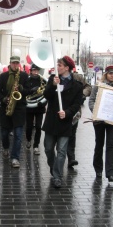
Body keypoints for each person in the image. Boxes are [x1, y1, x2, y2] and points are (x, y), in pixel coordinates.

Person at [42, 56, 83, 188]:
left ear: (67, 68)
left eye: (59, 65)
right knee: (48, 149)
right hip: (51, 121)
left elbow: (77, 104)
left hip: (65, 122)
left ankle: (57, 176)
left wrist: (67, 112)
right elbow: (46, 95)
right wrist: (53, 85)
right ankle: (55, 168)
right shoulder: (53, 79)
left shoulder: (77, 86)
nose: (57, 67)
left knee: (61, 151)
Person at [0, 55, 30, 168]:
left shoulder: (24, 76)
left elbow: (28, 91)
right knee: (5, 134)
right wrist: (4, 99)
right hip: (6, 108)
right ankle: (6, 147)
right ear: (10, 63)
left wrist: (22, 89)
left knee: (18, 135)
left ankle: (15, 157)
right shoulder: (4, 76)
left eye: (17, 63)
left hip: (19, 109)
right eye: (13, 63)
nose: (15, 65)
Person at [89, 65, 113, 182]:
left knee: (111, 145)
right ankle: (98, 169)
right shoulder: (98, 86)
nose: (112, 75)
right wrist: (96, 111)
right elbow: (91, 100)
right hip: (99, 120)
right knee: (99, 144)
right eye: (110, 73)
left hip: (112, 121)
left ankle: (110, 173)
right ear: (106, 74)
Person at [67, 70, 92, 168]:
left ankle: (71, 158)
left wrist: (81, 94)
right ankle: (60, 156)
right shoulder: (57, 76)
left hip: (75, 111)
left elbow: (88, 87)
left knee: (72, 135)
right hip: (61, 111)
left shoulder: (78, 77)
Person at [25, 64, 47, 155]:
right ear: (31, 71)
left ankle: (36, 146)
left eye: (37, 70)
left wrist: (44, 102)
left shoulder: (42, 80)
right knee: (29, 126)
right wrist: (32, 91)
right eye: (34, 70)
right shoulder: (27, 80)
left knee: (38, 127)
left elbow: (47, 93)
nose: (36, 72)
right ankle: (28, 140)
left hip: (39, 106)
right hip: (29, 106)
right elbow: (24, 92)